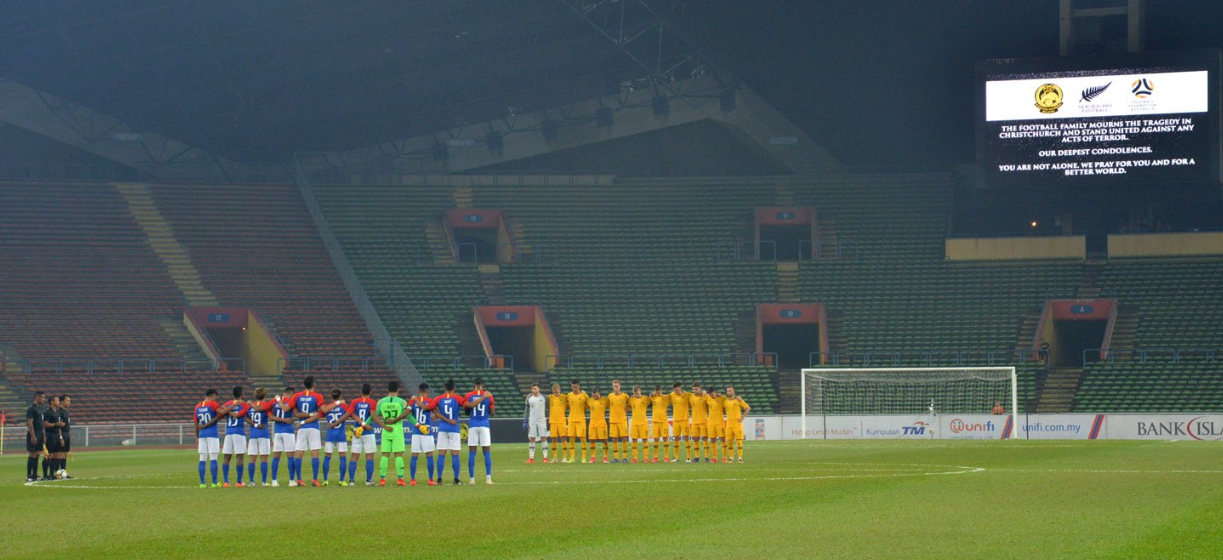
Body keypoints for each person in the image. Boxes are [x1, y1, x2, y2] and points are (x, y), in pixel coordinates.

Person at [286, 376, 325, 487]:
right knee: (315, 454)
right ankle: (315, 480)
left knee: (299, 454)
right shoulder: (318, 396)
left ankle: (299, 480)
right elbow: (322, 411)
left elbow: (289, 409)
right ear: (314, 384)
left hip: (302, 428)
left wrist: (299, 415)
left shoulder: (297, 396)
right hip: (313, 427)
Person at [374, 381, 409, 486]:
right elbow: (407, 414)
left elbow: (375, 416)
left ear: (387, 390)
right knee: (398, 455)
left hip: (386, 430)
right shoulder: (402, 402)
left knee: (385, 454)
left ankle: (382, 479)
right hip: (397, 431)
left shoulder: (380, 402)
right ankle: (400, 479)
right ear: (398, 389)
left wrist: (383, 425)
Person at [194, 389, 231, 488]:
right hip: (212, 434)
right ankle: (214, 483)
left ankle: (202, 483)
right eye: (215, 397)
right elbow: (222, 412)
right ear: (212, 395)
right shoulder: (213, 404)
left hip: (202, 434)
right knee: (213, 457)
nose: (215, 399)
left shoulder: (197, 406)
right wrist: (232, 406)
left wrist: (197, 436)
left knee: (202, 458)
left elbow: (196, 423)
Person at [432, 380, 466, 485]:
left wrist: (437, 415)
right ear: (454, 388)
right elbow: (466, 406)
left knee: (441, 454)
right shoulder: (458, 398)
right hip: (454, 429)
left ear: (444, 387)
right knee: (455, 455)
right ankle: (456, 479)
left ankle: (439, 479)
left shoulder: (439, 398)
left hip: (443, 428)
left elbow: (432, 408)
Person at [463, 378, 495, 484]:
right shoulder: (489, 395)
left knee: (472, 452)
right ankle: (488, 478)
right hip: (484, 425)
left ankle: (471, 479)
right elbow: (492, 412)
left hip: (473, 425)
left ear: (474, 385)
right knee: (486, 452)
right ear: (482, 385)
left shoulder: (468, 395)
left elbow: (467, 412)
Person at [347, 384, 379, 486]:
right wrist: (365, 424)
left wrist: (361, 424)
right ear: (371, 392)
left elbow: (351, 414)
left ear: (360, 392)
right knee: (369, 456)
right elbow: (373, 416)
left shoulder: (355, 402)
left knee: (354, 456)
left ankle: (351, 481)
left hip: (357, 431)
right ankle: (368, 480)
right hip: (368, 432)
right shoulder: (372, 402)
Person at [407, 383, 438, 486]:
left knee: (414, 456)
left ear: (418, 391)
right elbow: (434, 413)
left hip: (416, 431)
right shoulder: (430, 401)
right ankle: (430, 479)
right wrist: (433, 416)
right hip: (427, 431)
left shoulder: (412, 401)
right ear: (427, 391)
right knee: (429, 455)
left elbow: (409, 415)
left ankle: (412, 480)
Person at [221, 386, 251, 487]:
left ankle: (226, 481)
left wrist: (228, 411)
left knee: (227, 456)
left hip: (229, 432)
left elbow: (222, 408)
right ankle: (239, 481)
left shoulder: (228, 404)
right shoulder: (244, 404)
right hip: (238, 432)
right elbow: (243, 416)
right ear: (241, 394)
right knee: (240, 456)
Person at [321, 388, 351, 486]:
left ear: (331, 396)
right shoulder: (344, 406)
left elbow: (321, 413)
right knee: (342, 457)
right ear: (340, 396)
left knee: (327, 457)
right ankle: (341, 480)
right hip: (341, 435)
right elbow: (350, 414)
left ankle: (325, 480)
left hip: (330, 435)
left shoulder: (328, 407)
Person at [268, 386, 297, 487]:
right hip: (288, 431)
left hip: (277, 432)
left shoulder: (273, 402)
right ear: (290, 394)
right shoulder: (291, 401)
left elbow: (270, 417)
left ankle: (274, 481)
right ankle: (291, 481)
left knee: (276, 457)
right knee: (290, 457)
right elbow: (295, 413)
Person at [245, 388, 273, 486]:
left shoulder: (249, 407)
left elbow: (245, 417)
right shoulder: (266, 405)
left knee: (252, 458)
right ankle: (264, 482)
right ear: (265, 396)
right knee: (264, 458)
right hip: (263, 434)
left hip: (253, 434)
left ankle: (252, 481)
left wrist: (254, 425)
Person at [723, 386, 751, 463]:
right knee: (730, 442)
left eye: (730, 391)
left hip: (737, 425)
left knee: (739, 442)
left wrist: (743, 417)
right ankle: (731, 458)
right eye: (728, 391)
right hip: (729, 425)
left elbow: (748, 408)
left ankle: (740, 458)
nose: (729, 392)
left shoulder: (738, 400)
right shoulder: (725, 401)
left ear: (734, 391)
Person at [667, 382, 692, 462]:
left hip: (684, 420)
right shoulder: (671, 395)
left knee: (686, 438)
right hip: (676, 420)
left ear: (680, 388)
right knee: (676, 438)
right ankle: (676, 457)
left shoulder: (687, 395)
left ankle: (688, 457)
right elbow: (663, 398)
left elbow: (696, 396)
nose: (675, 391)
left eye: (677, 389)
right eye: (674, 390)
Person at [606, 380, 630, 463]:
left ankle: (624, 457)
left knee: (624, 438)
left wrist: (624, 411)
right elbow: (608, 405)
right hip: (613, 421)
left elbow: (630, 405)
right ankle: (616, 458)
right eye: (613, 386)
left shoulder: (625, 396)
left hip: (622, 421)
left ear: (620, 387)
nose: (615, 388)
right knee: (614, 439)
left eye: (616, 386)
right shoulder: (610, 396)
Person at [565, 380, 589, 463]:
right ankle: (572, 458)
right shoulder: (568, 395)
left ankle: (584, 458)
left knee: (583, 439)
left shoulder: (584, 395)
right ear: (571, 387)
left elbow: (589, 405)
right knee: (571, 439)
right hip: (571, 420)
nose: (574, 388)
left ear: (579, 386)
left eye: (576, 387)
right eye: (573, 387)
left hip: (581, 420)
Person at [43, 395, 66, 479]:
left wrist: (61, 437)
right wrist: (56, 424)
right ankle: (46, 475)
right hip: (50, 435)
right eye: (57, 400)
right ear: (52, 402)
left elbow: (58, 426)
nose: (59, 402)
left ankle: (53, 474)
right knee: (49, 455)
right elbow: (45, 424)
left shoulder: (57, 412)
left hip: (56, 435)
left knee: (56, 455)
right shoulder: (47, 412)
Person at [524, 383, 548, 464]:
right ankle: (531, 458)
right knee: (532, 438)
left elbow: (549, 406)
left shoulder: (544, 397)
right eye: (532, 389)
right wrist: (525, 420)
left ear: (539, 389)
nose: (534, 390)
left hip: (541, 420)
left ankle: (545, 458)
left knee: (543, 438)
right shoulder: (529, 398)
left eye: (535, 389)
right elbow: (526, 409)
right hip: (532, 420)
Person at [26, 392, 46, 482]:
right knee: (32, 454)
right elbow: (30, 422)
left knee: (37, 455)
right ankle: (29, 475)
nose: (43, 399)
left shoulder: (40, 408)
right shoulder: (31, 409)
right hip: (34, 434)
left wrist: (43, 434)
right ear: (37, 397)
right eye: (42, 397)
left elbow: (41, 423)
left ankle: (35, 474)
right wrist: (33, 436)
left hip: (40, 434)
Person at [627, 386, 650, 463]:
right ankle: (635, 458)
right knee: (634, 440)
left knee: (645, 439)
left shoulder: (646, 399)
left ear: (640, 391)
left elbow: (653, 401)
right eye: (634, 393)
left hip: (643, 422)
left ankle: (646, 458)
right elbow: (627, 408)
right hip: (634, 422)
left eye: (637, 393)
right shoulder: (631, 399)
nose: (636, 395)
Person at [546, 384, 567, 464]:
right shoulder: (549, 397)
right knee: (553, 439)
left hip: (561, 421)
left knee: (563, 438)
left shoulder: (565, 397)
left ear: (560, 389)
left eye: (557, 389)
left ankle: (564, 457)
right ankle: (554, 458)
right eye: (554, 390)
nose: (555, 391)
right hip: (553, 421)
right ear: (552, 390)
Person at [586, 389, 609, 463]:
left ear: (599, 393)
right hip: (592, 424)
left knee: (604, 440)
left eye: (596, 395)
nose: (594, 397)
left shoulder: (605, 400)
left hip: (602, 424)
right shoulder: (589, 400)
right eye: (593, 395)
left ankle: (605, 457)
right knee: (592, 440)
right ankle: (593, 458)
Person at [688, 383, 709, 463]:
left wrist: (704, 391)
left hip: (703, 421)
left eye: (696, 389)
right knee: (695, 439)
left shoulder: (704, 396)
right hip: (694, 422)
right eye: (693, 389)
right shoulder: (690, 397)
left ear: (700, 389)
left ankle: (706, 457)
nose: (694, 391)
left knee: (705, 439)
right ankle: (697, 457)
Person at [649, 386, 670, 463]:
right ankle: (655, 457)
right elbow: (649, 396)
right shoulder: (653, 397)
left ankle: (666, 457)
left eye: (659, 392)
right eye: (656, 392)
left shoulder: (666, 397)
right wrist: (651, 394)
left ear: (661, 391)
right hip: (655, 421)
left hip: (663, 421)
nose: (658, 393)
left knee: (665, 439)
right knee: (655, 439)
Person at [705, 388, 727, 463]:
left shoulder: (721, 398)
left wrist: (722, 395)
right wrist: (704, 392)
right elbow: (701, 394)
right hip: (711, 423)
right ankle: (714, 457)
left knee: (723, 439)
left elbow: (729, 399)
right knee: (712, 440)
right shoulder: (708, 398)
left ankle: (724, 457)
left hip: (720, 422)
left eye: (712, 394)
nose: (711, 396)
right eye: (710, 395)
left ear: (715, 392)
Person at [58, 395, 73, 478]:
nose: (69, 402)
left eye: (69, 401)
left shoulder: (66, 411)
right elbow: (59, 426)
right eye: (67, 400)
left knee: (65, 454)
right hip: (62, 433)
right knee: (60, 454)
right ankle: (59, 473)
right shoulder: (59, 412)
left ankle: (63, 473)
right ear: (62, 402)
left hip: (67, 433)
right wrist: (60, 437)